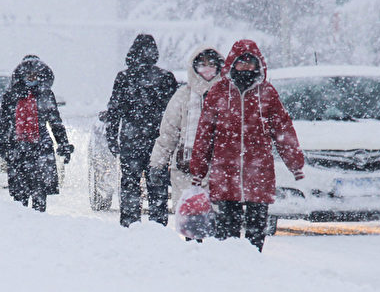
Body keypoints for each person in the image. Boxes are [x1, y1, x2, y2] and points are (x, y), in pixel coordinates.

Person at [189, 39, 305, 252]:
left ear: (258, 65)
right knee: (227, 233)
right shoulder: (218, 93)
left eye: (250, 63)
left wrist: (295, 163)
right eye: (241, 63)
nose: (245, 67)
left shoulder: (267, 93)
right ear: (232, 64)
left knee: (256, 233)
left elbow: (283, 130)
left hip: (258, 173)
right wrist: (198, 169)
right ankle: (230, 272)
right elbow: (204, 134)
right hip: (226, 173)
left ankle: (254, 268)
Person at [105, 34, 178, 227]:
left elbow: (114, 111)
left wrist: (112, 138)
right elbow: (174, 113)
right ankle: (157, 225)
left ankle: (130, 224)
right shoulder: (166, 78)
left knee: (130, 183)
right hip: (158, 141)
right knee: (158, 184)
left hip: (131, 140)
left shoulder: (123, 77)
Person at [149, 46, 224, 214]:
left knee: (218, 222)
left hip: (219, 169)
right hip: (186, 168)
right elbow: (168, 134)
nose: (207, 68)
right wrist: (157, 164)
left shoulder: (227, 96)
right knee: (189, 218)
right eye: (202, 64)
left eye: (211, 63)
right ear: (194, 66)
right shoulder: (182, 96)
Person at [0, 55, 73, 212]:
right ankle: (21, 224)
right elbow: (4, 122)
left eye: (34, 75)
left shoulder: (46, 95)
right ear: (21, 76)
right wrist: (2, 143)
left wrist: (63, 143)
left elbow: (55, 122)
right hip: (17, 148)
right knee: (19, 196)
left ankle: (38, 225)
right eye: (28, 75)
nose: (31, 78)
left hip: (40, 148)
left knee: (39, 193)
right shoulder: (11, 95)